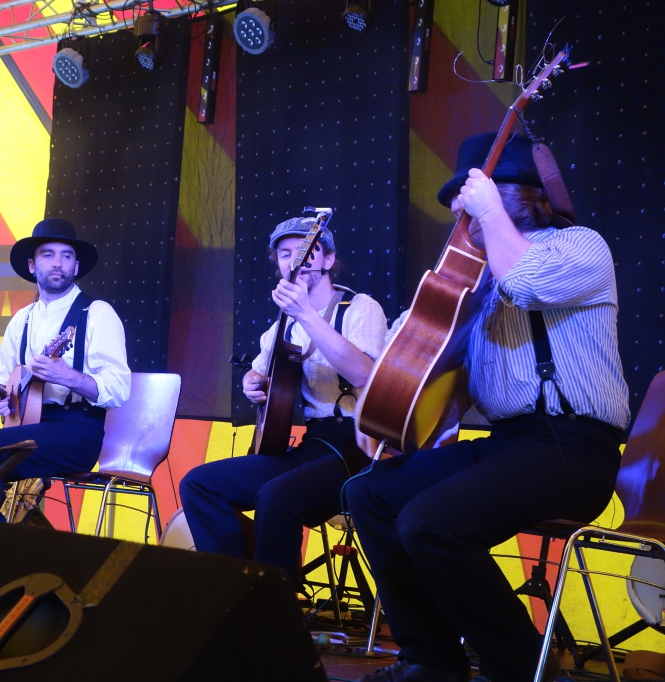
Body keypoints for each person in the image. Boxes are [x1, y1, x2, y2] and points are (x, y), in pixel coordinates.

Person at [346, 133, 630, 682]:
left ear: (518, 195)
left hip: (573, 450)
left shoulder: (579, 246)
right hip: (507, 444)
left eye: (472, 195)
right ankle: (431, 660)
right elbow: (421, 357)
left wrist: (490, 212)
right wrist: (383, 405)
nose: (463, 212)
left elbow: (526, 284)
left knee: (430, 523)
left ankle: (522, 671)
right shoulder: (475, 281)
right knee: (371, 494)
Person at [179, 216, 387, 584]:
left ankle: (275, 602)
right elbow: (257, 371)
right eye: (286, 253)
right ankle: (237, 586)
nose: (297, 259)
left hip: (360, 448)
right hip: (313, 446)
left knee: (276, 496)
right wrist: (252, 382)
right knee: (199, 484)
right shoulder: (282, 325)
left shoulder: (359, 308)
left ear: (328, 259)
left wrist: (305, 313)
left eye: (307, 251)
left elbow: (363, 374)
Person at [0, 218, 131, 520]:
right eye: (48, 255)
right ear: (32, 266)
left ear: (76, 267)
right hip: (23, 426)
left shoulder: (98, 314)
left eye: (66, 256)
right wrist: (1, 398)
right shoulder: (21, 319)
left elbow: (119, 390)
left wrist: (67, 377)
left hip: (77, 431)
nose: (58, 263)